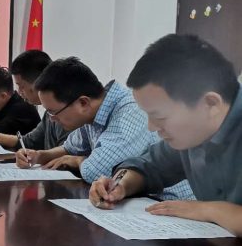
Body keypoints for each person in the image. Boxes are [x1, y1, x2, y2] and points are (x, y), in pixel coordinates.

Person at [89, 34, 242, 235]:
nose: (151, 127)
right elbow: (150, 166)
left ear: (210, 104)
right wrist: (120, 185)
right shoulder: (193, 134)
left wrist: (209, 210)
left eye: (160, 117)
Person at [17, 57, 194, 200]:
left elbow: (96, 170)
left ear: (83, 103)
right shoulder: (92, 114)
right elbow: (70, 148)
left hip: (171, 205)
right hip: (137, 200)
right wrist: (39, 155)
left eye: (53, 112)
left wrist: (78, 161)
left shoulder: (130, 111)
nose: (52, 119)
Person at [0, 51, 68, 151]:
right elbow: (28, 141)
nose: (19, 92)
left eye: (21, 86)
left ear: (39, 83)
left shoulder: (65, 114)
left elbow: (66, 153)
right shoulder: (49, 113)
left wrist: (40, 156)